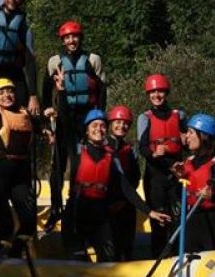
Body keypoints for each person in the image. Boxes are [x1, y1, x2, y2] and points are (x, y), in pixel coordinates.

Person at [61, 109, 171, 262]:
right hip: (76, 214)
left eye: (102, 126)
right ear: (86, 130)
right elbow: (66, 122)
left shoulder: (111, 158)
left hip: (100, 216)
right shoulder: (77, 151)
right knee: (79, 262)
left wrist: (149, 212)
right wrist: (61, 91)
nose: (98, 129)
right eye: (94, 125)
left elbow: (126, 188)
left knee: (109, 260)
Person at [44, 20, 107, 229]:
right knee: (58, 166)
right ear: (63, 41)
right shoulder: (54, 61)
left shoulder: (93, 60)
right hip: (63, 116)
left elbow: (101, 90)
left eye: (75, 37)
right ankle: (55, 209)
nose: (72, 41)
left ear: (80, 38)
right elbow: (46, 89)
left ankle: (78, 207)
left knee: (81, 164)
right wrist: (47, 111)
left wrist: (100, 116)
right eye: (67, 38)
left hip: (86, 117)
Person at [0, 78, 50, 257]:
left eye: (9, 91)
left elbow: (40, 123)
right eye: (1, 93)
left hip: (20, 174)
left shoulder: (25, 114)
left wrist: (47, 127)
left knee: (28, 221)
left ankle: (14, 256)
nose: (7, 95)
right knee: (6, 226)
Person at [135, 73, 186, 256]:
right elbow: (142, 147)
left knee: (178, 218)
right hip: (155, 175)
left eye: (160, 91)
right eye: (153, 92)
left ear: (166, 93)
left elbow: (189, 142)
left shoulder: (179, 116)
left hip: (176, 175)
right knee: (159, 221)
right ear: (148, 95)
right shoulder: (145, 118)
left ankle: (177, 256)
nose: (156, 95)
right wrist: (154, 153)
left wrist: (185, 140)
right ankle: (159, 257)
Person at [171, 113, 215, 253]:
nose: (186, 136)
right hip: (191, 221)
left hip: (214, 224)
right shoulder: (187, 162)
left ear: (204, 136)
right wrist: (178, 179)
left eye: (190, 132)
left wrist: (212, 196)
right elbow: (180, 196)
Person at [105, 105, 140, 261]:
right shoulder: (102, 146)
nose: (122, 126)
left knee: (126, 249)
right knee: (110, 251)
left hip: (126, 204)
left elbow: (134, 178)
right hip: (107, 206)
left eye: (125, 123)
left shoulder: (130, 149)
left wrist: (124, 201)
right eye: (118, 122)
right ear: (111, 124)